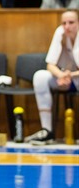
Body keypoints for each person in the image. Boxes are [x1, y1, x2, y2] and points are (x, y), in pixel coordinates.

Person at [25, 9, 79, 145]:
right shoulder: (60, 32)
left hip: (75, 77)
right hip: (65, 78)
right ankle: (47, 131)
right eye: (64, 23)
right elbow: (50, 64)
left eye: (71, 22)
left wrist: (70, 75)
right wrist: (61, 75)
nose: (67, 26)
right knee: (40, 77)